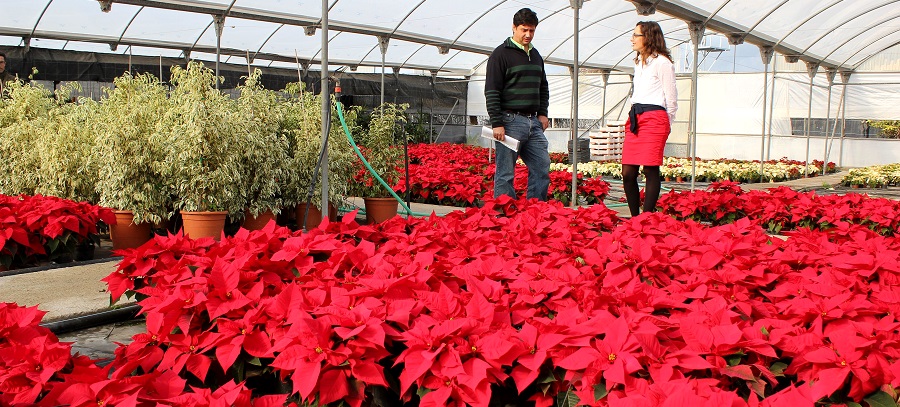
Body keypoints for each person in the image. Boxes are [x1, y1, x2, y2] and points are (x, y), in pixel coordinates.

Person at [485, 8, 551, 201]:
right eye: (524, 30)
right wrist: (497, 122)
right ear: (514, 28)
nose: (528, 35)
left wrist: (543, 113)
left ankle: (536, 210)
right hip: (509, 121)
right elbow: (492, 90)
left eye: (532, 30)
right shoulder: (501, 54)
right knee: (505, 172)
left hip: (533, 122)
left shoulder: (536, 55)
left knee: (542, 166)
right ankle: (503, 217)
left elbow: (543, 87)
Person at [622, 21, 677, 217]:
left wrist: (666, 125)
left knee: (650, 169)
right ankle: (635, 217)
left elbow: (671, 99)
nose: (632, 39)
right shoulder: (638, 62)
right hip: (636, 118)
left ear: (648, 37)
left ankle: (645, 218)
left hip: (655, 118)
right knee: (628, 173)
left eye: (636, 35)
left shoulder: (662, 63)